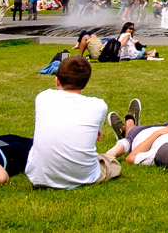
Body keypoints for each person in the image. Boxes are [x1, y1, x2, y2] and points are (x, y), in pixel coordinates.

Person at [25, 57, 123, 188]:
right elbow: (96, 135)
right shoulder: (98, 105)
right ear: (86, 82)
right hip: (83, 177)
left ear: (57, 80)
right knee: (112, 164)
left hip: (39, 177)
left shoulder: (43, 97)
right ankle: (118, 147)